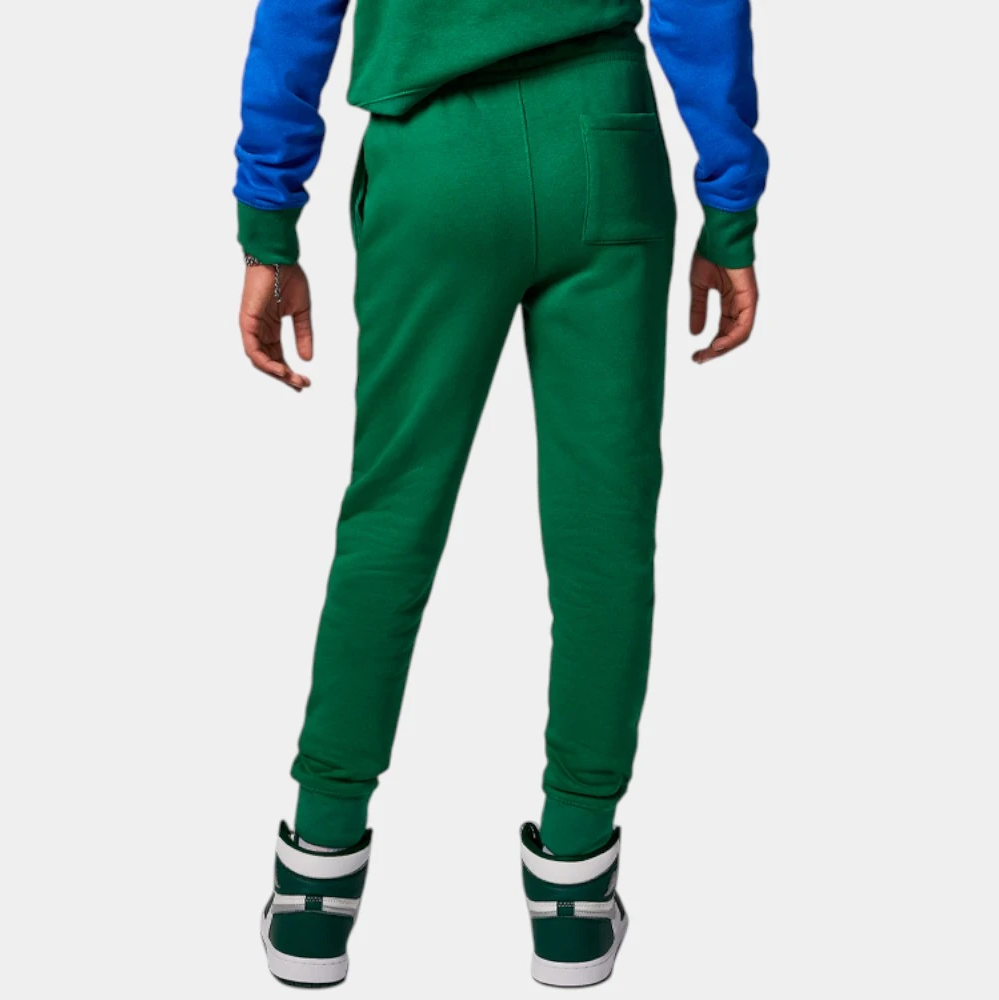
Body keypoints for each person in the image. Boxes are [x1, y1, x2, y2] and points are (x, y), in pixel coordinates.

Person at [236, 0, 767, 988]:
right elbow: (701, 11)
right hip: (602, 137)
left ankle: (316, 883)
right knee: (604, 536)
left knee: (391, 519)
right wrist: (729, 209)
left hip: (431, 157)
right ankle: (574, 888)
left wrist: (269, 225)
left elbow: (298, 16)